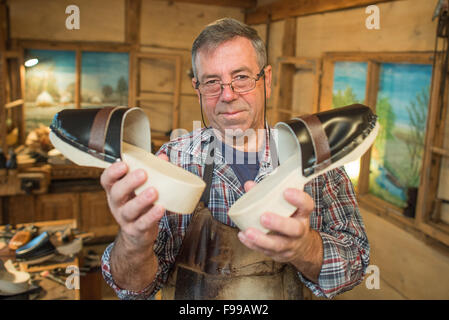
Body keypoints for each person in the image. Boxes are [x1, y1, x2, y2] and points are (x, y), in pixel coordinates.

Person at [100, 18, 370, 299]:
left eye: (241, 77)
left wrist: (305, 248)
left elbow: (355, 266)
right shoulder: (173, 162)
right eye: (212, 82)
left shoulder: (315, 161)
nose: (227, 95)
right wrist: (134, 242)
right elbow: (133, 289)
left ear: (266, 80)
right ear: (198, 89)